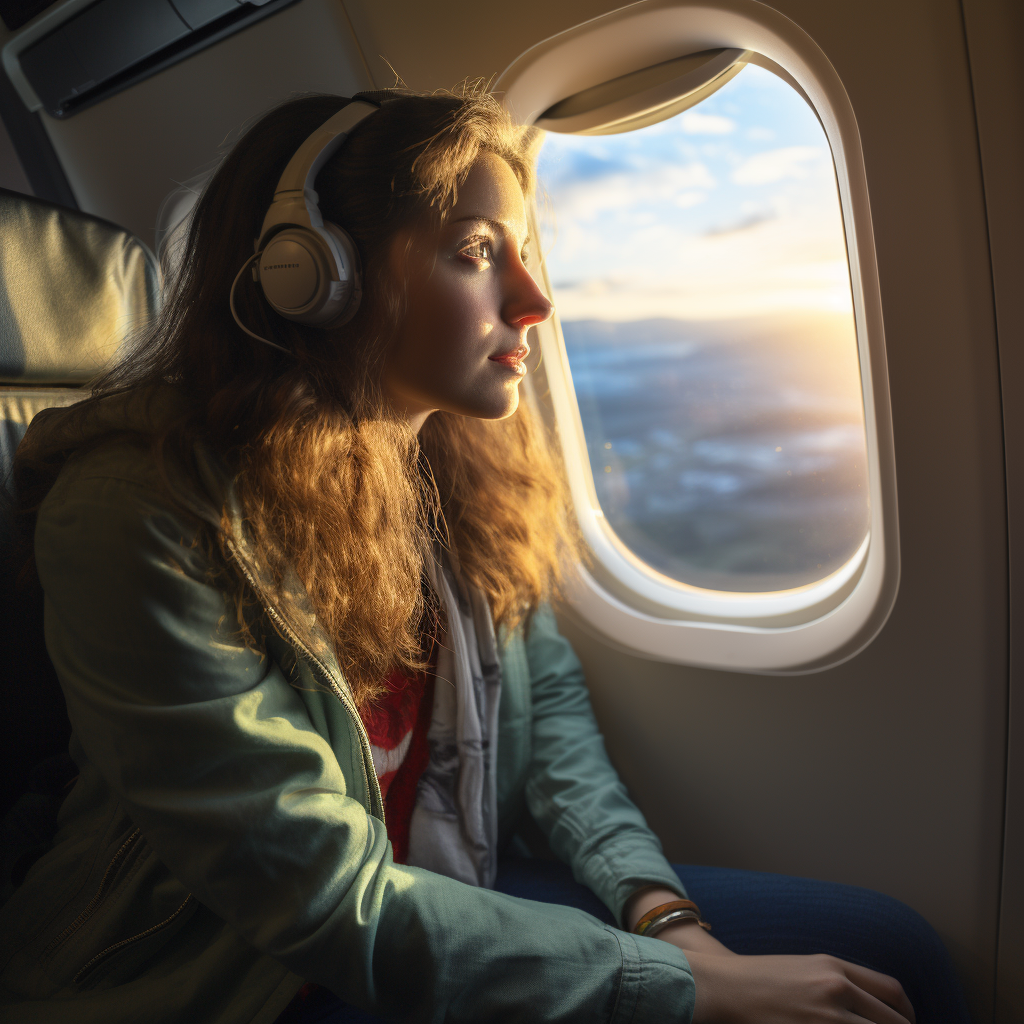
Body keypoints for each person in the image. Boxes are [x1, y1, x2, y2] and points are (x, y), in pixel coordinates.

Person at [0, 86, 967, 1024]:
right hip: (241, 975)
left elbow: (546, 719)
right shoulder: (136, 516)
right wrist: (679, 990)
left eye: (526, 254)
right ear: (316, 273)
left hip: (445, 877)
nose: (533, 300)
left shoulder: (450, 467)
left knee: (896, 949)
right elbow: (320, 899)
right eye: (475, 252)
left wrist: (665, 919)